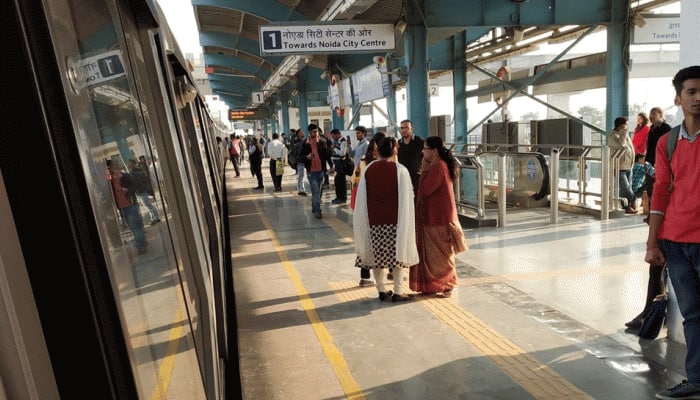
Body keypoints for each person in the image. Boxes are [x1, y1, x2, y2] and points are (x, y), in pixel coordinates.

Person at [644, 66, 700, 400]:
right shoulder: (668, 142)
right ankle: (696, 378)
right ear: (678, 98)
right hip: (676, 242)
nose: (698, 97)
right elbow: (661, 193)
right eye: (691, 91)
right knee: (693, 314)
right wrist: (653, 242)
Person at [353, 137, 418, 301]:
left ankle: (381, 290)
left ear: (378, 150)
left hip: (373, 220)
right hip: (396, 220)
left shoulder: (369, 169)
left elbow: (362, 197)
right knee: (397, 257)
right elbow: (407, 197)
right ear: (395, 150)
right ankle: (397, 291)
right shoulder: (400, 170)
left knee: (377, 256)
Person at [409, 136, 467, 297]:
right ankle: (435, 285)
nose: (422, 151)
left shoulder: (438, 167)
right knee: (436, 255)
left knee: (441, 255)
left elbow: (426, 189)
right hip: (435, 215)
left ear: (434, 151)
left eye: (425, 149)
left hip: (438, 217)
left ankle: (449, 282)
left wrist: (424, 169)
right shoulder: (439, 165)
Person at [352, 131, 386, 287]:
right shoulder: (386, 164)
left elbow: (354, 179)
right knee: (388, 240)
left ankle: (365, 276)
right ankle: (392, 271)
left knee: (368, 242)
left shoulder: (364, 161)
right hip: (381, 208)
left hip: (364, 207)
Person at [106, 160, 148, 253]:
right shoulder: (109, 182)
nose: (109, 170)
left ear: (114, 166)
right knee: (133, 227)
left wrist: (128, 190)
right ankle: (142, 242)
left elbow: (135, 186)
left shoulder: (124, 176)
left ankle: (141, 246)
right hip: (121, 208)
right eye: (107, 169)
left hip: (130, 205)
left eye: (110, 168)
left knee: (135, 227)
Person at [299, 123, 332, 219]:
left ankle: (314, 207)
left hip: (321, 171)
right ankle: (318, 211)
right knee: (316, 191)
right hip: (311, 172)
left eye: (317, 131)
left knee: (318, 191)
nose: (317, 133)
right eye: (314, 132)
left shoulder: (322, 142)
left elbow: (326, 155)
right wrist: (307, 157)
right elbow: (299, 158)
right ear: (310, 132)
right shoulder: (304, 144)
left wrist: (331, 166)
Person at [608, 116, 636, 213]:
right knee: (626, 188)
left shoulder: (625, 135)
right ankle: (633, 199)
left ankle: (627, 207)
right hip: (619, 167)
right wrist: (624, 132)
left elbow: (630, 148)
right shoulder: (613, 136)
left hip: (629, 165)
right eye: (626, 124)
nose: (628, 127)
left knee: (626, 189)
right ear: (621, 125)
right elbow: (621, 144)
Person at [397, 119, 425, 199]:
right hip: (403, 177)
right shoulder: (398, 144)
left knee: (416, 199)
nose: (404, 130)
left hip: (416, 177)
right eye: (402, 128)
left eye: (406, 128)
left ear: (411, 129)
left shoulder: (419, 142)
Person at [127, 158, 160, 225]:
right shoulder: (136, 171)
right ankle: (154, 218)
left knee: (148, 205)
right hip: (141, 191)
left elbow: (139, 182)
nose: (128, 164)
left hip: (141, 191)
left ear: (132, 164)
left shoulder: (134, 172)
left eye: (129, 163)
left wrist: (139, 188)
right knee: (147, 205)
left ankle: (156, 218)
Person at [329, 128, 349, 204]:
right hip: (336, 164)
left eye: (333, 136)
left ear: (338, 134)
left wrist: (334, 148)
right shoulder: (337, 141)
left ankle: (342, 198)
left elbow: (342, 154)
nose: (333, 138)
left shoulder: (343, 141)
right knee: (337, 182)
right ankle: (338, 197)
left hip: (341, 163)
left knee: (341, 181)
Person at [290, 129, 307, 195]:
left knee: (302, 175)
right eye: (301, 132)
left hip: (304, 160)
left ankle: (301, 189)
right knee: (301, 175)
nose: (303, 133)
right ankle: (301, 189)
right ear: (298, 134)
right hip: (300, 160)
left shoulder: (303, 140)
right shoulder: (297, 141)